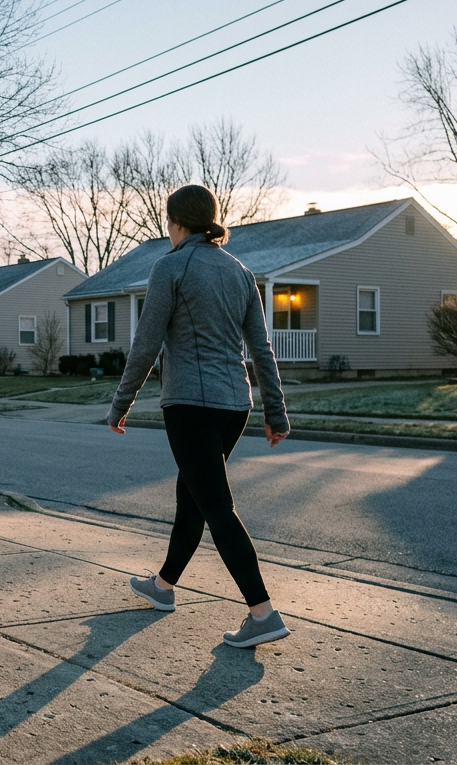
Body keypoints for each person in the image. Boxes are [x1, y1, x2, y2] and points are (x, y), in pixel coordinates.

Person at [107, 184, 291, 649]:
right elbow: (261, 349)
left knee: (216, 507)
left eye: (168, 223)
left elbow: (146, 343)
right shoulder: (240, 272)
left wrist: (120, 403)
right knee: (192, 496)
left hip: (191, 405)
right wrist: (276, 411)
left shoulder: (171, 266)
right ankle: (164, 587)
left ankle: (263, 612)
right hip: (235, 405)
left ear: (178, 223)